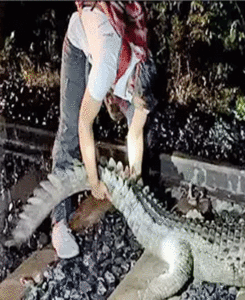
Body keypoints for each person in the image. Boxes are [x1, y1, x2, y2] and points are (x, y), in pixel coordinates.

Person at [51, 1, 157, 259]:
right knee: (71, 130)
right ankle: (59, 223)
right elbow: (83, 124)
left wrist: (136, 176)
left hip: (109, 51)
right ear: (130, 90)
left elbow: (135, 132)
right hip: (80, 42)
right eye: (135, 102)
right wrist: (94, 181)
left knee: (137, 120)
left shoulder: (145, 69)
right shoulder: (106, 68)